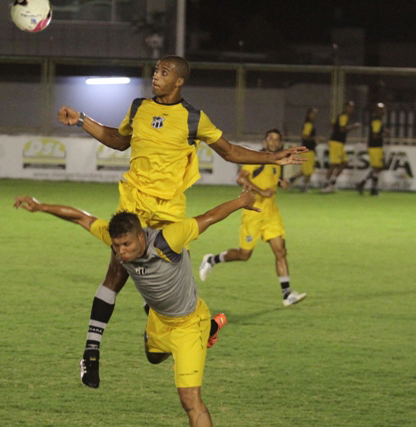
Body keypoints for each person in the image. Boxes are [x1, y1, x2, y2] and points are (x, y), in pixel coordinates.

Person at [57, 56, 306, 389]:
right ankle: (91, 352)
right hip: (133, 203)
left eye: (163, 72)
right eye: (156, 71)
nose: (156, 77)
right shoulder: (138, 107)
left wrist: (273, 156)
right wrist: (81, 120)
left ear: (179, 81)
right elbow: (118, 140)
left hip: (170, 212)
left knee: (174, 290)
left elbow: (229, 151)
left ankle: (202, 328)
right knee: (116, 272)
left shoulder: (193, 118)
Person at [14, 189, 262, 427]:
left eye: (126, 245)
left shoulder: (168, 239)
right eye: (116, 246)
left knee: (189, 399)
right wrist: (41, 206)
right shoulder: (118, 241)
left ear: (140, 237)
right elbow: (80, 216)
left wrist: (242, 202)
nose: (121, 252)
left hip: (188, 325)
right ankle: (214, 329)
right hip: (159, 321)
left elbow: (209, 218)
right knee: (152, 357)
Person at [199, 129, 307, 307]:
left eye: (277, 139)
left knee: (280, 251)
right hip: (253, 214)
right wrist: (261, 191)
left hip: (271, 214)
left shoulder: (277, 162)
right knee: (244, 254)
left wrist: (282, 183)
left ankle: (287, 295)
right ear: (265, 141)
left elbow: (271, 179)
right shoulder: (256, 158)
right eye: (270, 138)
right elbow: (240, 178)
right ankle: (212, 259)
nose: (273, 142)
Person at [322, 100, 360, 193]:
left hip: (339, 142)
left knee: (344, 162)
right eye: (350, 107)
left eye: (352, 107)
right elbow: (342, 129)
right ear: (345, 107)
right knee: (334, 163)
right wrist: (353, 127)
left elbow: (332, 124)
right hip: (336, 142)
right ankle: (325, 185)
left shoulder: (340, 115)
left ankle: (332, 182)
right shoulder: (344, 116)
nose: (351, 109)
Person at [284, 107, 318, 192]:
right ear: (308, 114)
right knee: (308, 171)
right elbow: (304, 136)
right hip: (307, 150)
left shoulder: (310, 124)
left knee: (305, 170)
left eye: (315, 114)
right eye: (313, 113)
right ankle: (305, 187)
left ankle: (290, 180)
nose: (314, 116)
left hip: (310, 150)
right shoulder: (308, 124)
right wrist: (314, 139)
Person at [355, 103, 386, 196]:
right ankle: (367, 186)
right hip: (375, 146)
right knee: (377, 167)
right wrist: (384, 134)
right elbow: (375, 135)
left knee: (378, 167)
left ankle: (369, 187)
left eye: (383, 109)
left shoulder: (377, 120)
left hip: (375, 147)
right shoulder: (377, 120)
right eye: (380, 109)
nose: (382, 111)